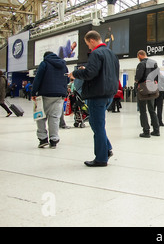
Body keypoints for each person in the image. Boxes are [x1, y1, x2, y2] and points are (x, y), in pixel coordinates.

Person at [69, 31, 120, 167]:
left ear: (92, 40)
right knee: (97, 124)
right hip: (109, 94)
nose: (89, 48)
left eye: (88, 45)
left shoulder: (96, 54)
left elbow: (89, 73)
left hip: (97, 95)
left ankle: (101, 158)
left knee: (97, 126)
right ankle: (107, 149)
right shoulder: (112, 54)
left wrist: (75, 73)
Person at [31, 52, 68, 148]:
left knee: (41, 116)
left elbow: (38, 78)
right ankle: (54, 140)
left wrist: (33, 92)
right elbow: (67, 79)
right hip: (59, 95)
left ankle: (43, 139)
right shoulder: (63, 64)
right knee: (54, 117)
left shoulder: (44, 63)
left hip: (45, 94)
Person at [135, 50, 160, 137]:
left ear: (140, 55)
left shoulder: (141, 64)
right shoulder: (154, 63)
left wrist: (136, 81)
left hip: (143, 89)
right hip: (152, 88)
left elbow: (138, 77)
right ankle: (156, 130)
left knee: (143, 110)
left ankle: (146, 131)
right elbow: (157, 76)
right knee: (152, 110)